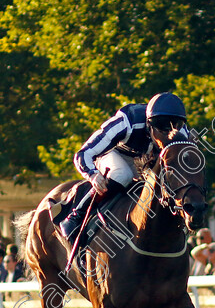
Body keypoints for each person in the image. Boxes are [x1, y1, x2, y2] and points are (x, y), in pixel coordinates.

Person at [59, 92, 191, 243]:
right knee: (123, 174)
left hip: (142, 160)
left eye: (176, 124)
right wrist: (93, 175)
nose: (169, 132)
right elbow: (83, 154)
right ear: (149, 122)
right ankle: (76, 215)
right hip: (111, 154)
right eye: (162, 125)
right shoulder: (127, 121)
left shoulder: (178, 132)